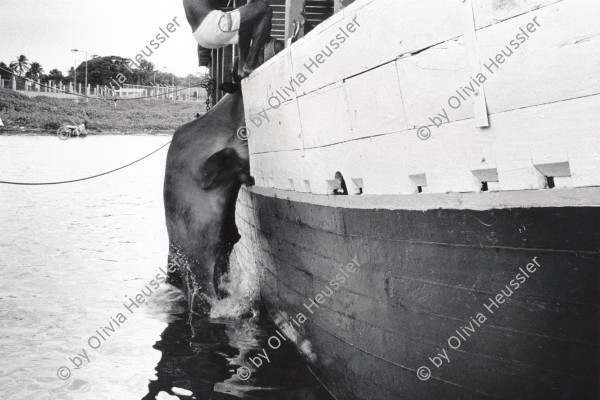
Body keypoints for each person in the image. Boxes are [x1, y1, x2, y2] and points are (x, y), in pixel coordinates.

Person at [183, 0, 273, 78]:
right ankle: (251, 64)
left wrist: (247, 9)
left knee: (247, 18)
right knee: (264, 8)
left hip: (200, 35)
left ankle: (242, 67)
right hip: (213, 24)